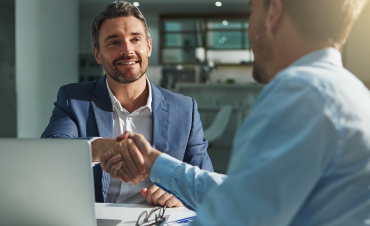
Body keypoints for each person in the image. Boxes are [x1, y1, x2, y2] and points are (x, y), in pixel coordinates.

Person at [101, 0, 370, 225]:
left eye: (252, 12)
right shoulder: (349, 91)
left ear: (273, 12)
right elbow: (244, 193)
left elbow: (231, 217)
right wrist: (154, 162)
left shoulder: (299, 92)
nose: (250, 27)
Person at [41, 1, 213, 207]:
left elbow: (206, 183)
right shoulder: (73, 99)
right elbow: (49, 153)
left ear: (148, 47)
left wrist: (183, 195)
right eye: (114, 42)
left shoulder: (184, 110)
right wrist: (101, 148)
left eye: (135, 39)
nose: (127, 50)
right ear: (98, 54)